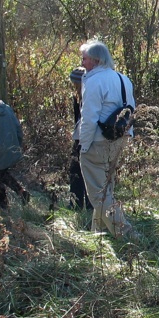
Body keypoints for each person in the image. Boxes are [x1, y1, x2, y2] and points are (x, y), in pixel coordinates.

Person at [78, 39, 135, 237]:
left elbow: (89, 118)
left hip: (97, 142)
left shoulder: (94, 81)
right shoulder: (123, 78)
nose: (82, 63)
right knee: (105, 187)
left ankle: (126, 233)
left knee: (98, 193)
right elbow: (131, 110)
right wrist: (129, 135)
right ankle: (99, 230)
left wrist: (83, 145)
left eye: (84, 59)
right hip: (119, 139)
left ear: (95, 60)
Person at [68, 67, 92, 210]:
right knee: (76, 171)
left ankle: (89, 206)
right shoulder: (77, 96)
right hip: (79, 137)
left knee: (85, 171)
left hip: (88, 137)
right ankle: (75, 204)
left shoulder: (90, 95)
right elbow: (76, 118)